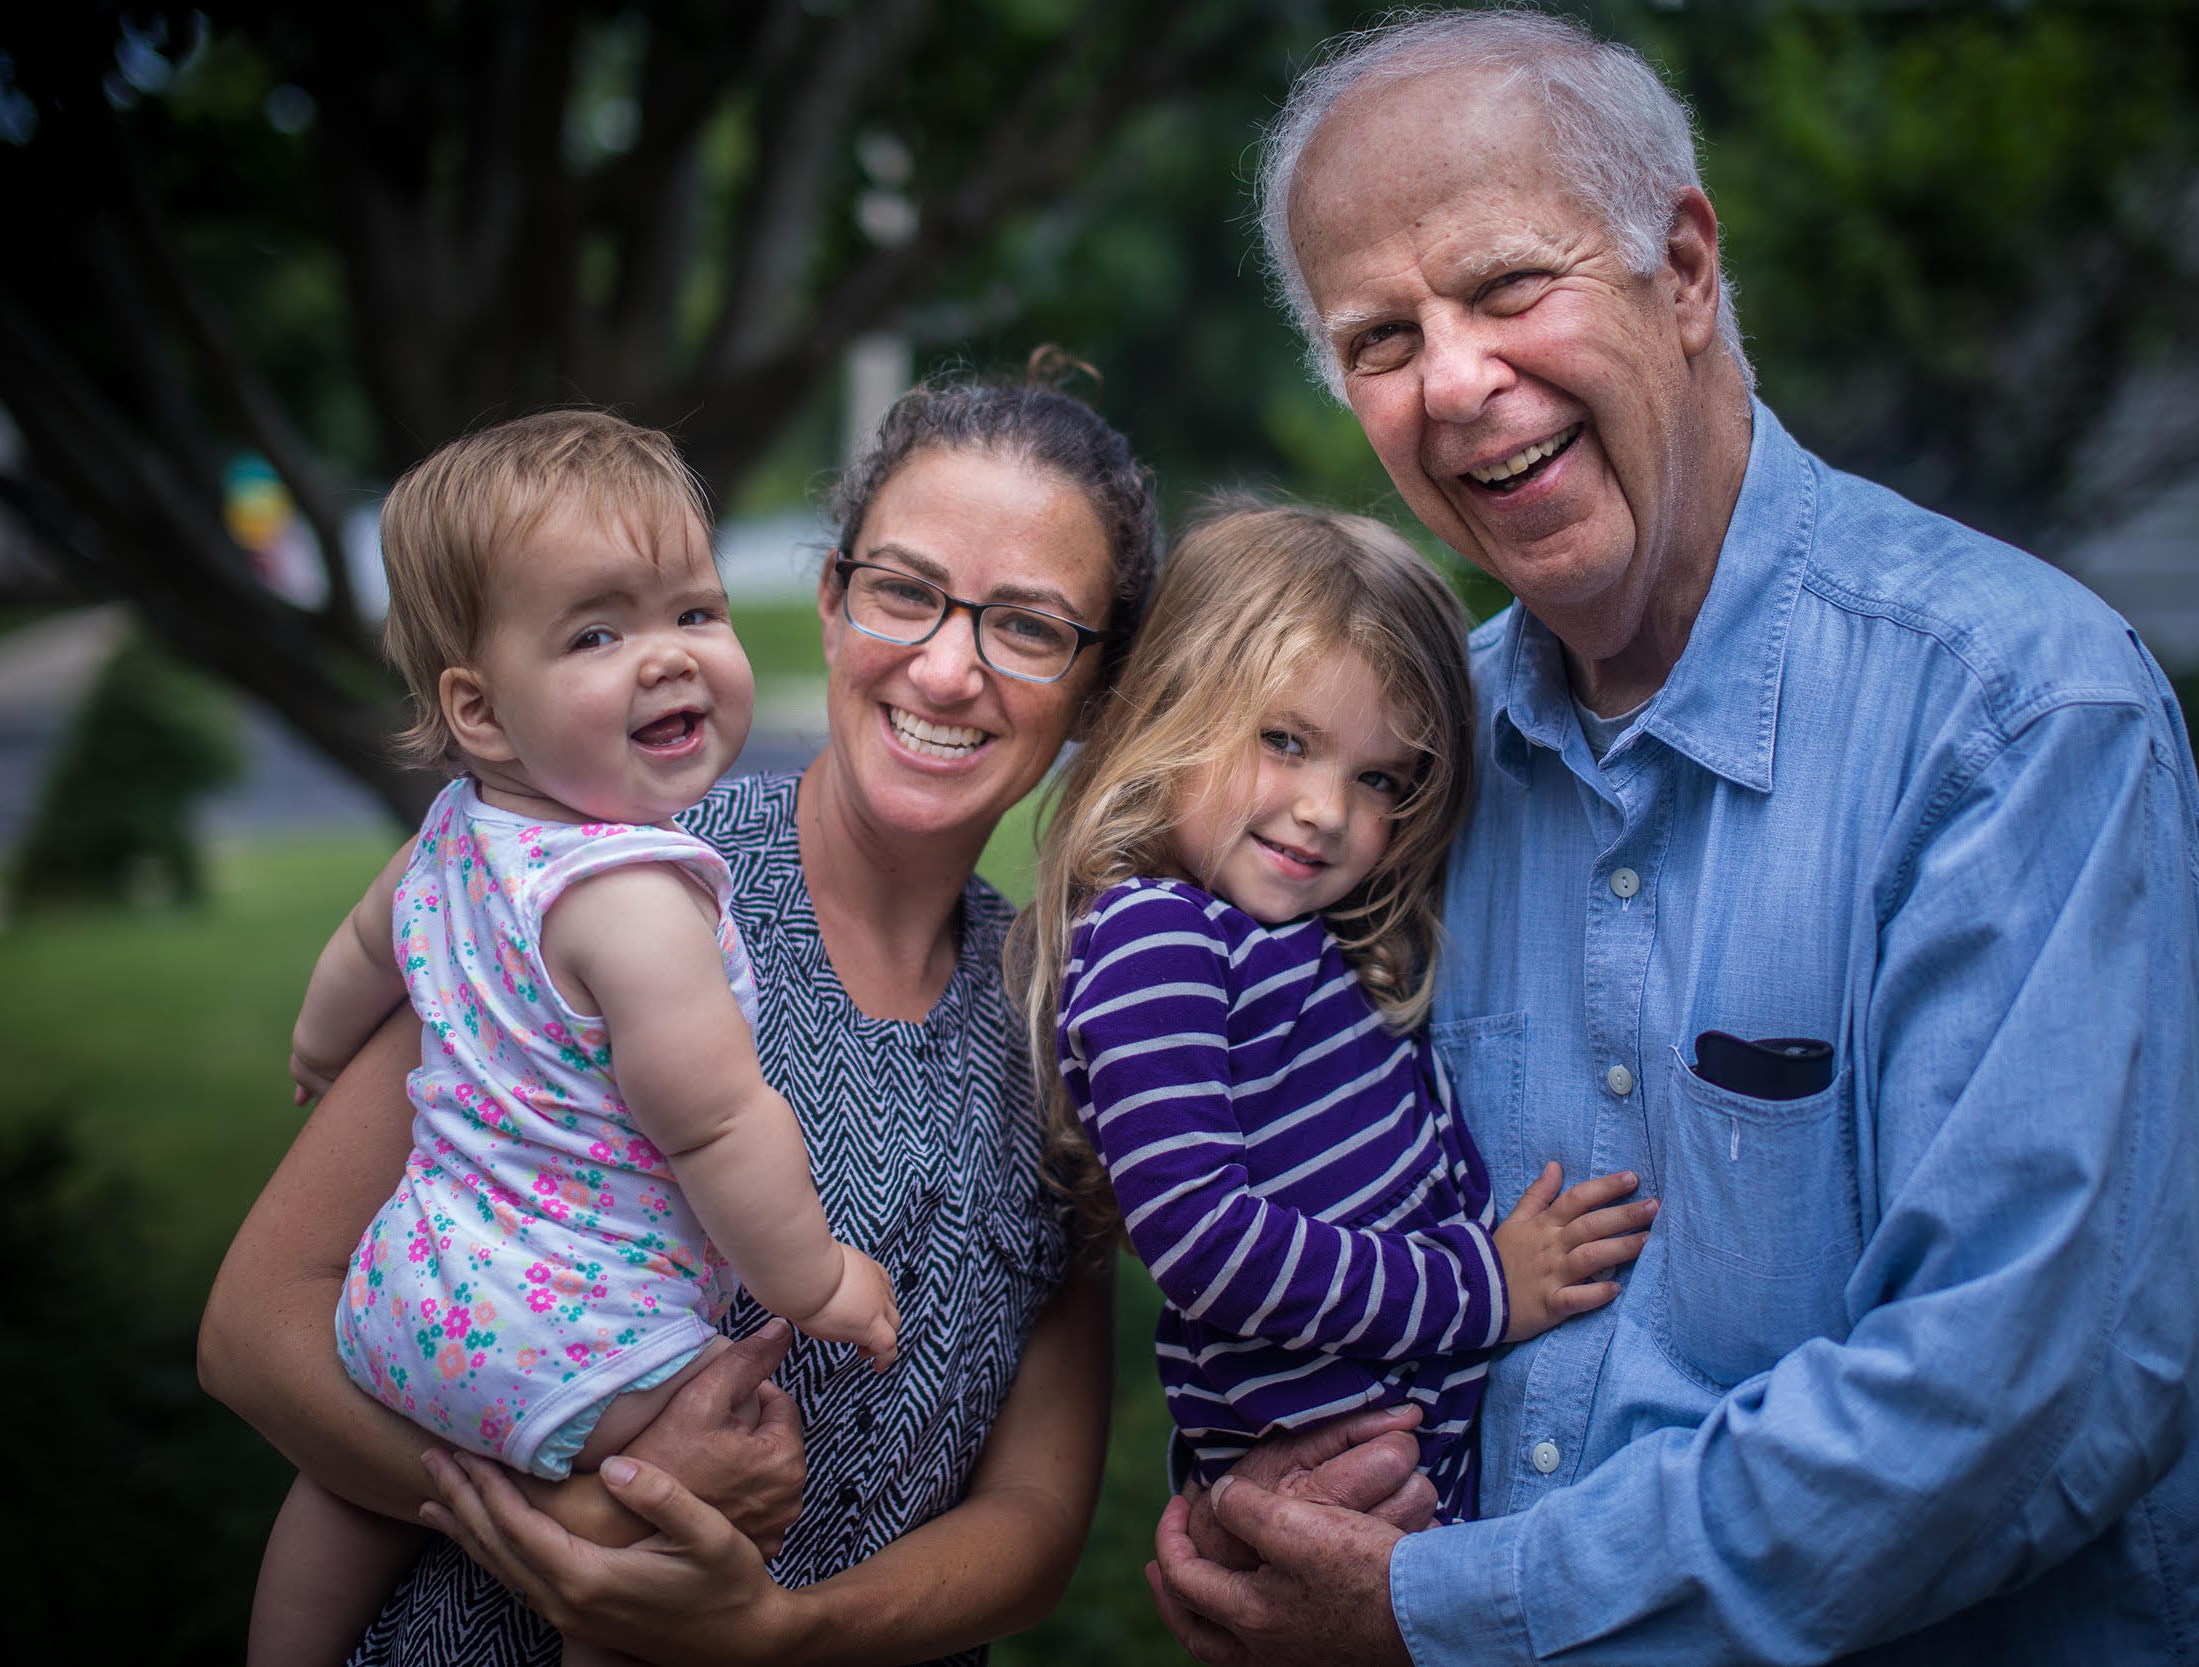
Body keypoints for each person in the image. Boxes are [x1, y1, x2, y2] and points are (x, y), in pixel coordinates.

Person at [1146, 12, 2199, 1664]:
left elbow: (2019, 1396)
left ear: (1682, 269)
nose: (1453, 380)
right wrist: (1285, 1495)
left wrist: (1443, 1609)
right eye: (1381, 337)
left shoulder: (2019, 714)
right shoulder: (1413, 772)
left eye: (1505, 285)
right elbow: (1321, 1208)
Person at [204, 363, 1431, 1667]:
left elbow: (1032, 1513)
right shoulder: (608, 881)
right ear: (835, 600)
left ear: (1101, 689)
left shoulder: (1070, 1019)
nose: (946, 668)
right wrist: (580, 1517)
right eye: (905, 590)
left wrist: (778, 1630)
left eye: (1027, 626)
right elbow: (259, 1326)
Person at [248, 411, 903, 1667]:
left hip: (410, 1288)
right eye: (598, 633)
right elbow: (717, 1123)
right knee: (671, 1525)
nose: (667, 657)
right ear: (481, 710)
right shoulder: (633, 899)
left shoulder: (450, 836)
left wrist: (319, 1052)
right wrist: (816, 1280)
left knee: (338, 1491)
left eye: (694, 611)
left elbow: (357, 954)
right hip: (577, 1338)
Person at [1022, 504, 1657, 1522]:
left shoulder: (1287, 932)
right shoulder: (1156, 938)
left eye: (1377, 779)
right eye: (1285, 740)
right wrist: (1482, 1288)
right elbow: (1208, 1244)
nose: (1328, 810)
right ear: (1174, 705)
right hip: (1337, 1479)